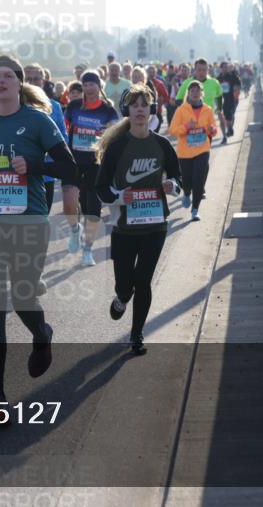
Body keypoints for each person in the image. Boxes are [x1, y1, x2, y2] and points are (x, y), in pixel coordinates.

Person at [0, 55, 77, 421]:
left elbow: (70, 167)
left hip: (26, 220)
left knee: (24, 295)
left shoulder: (37, 121)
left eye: (7, 76)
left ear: (18, 83)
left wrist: (35, 166)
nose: (0, 80)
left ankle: (41, 334)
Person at [95, 85, 181, 355]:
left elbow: (178, 179)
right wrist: (121, 197)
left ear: (152, 109)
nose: (141, 109)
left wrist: (171, 186)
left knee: (143, 281)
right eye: (135, 105)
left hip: (155, 226)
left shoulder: (162, 144)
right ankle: (121, 299)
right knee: (125, 285)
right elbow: (101, 188)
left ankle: (136, 335)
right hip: (123, 228)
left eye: (145, 104)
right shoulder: (117, 147)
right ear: (127, 111)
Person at [63, 71, 118, 266]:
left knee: (92, 208)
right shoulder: (74, 106)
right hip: (74, 162)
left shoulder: (108, 109)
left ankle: (88, 249)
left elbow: (114, 133)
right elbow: (64, 128)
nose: (88, 88)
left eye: (91, 84)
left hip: (96, 165)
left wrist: (107, 134)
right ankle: (74, 229)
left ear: (99, 85)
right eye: (85, 84)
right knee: (70, 205)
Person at [168, 80, 217, 220]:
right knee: (187, 181)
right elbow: (172, 130)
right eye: (192, 91)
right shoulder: (181, 110)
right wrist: (186, 126)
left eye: (197, 91)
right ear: (188, 94)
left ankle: (195, 209)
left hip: (202, 150)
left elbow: (212, 128)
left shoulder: (208, 110)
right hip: (185, 153)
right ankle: (186, 193)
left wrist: (213, 130)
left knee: (199, 179)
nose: (195, 93)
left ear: (202, 93)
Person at [24, 64, 68, 214]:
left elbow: (63, 137)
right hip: (21, 174)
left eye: (36, 79)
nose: (32, 82)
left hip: (47, 173)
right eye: (28, 79)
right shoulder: (14, 105)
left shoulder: (54, 106)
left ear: (43, 81)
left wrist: (51, 149)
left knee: (43, 217)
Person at [216, 61, 243, 143]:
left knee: (230, 115)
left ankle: (230, 128)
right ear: (221, 68)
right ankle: (228, 132)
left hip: (232, 99)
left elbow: (239, 84)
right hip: (223, 99)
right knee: (225, 116)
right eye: (224, 67)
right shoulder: (218, 78)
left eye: (227, 67)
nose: (226, 69)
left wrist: (236, 90)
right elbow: (216, 88)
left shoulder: (232, 76)